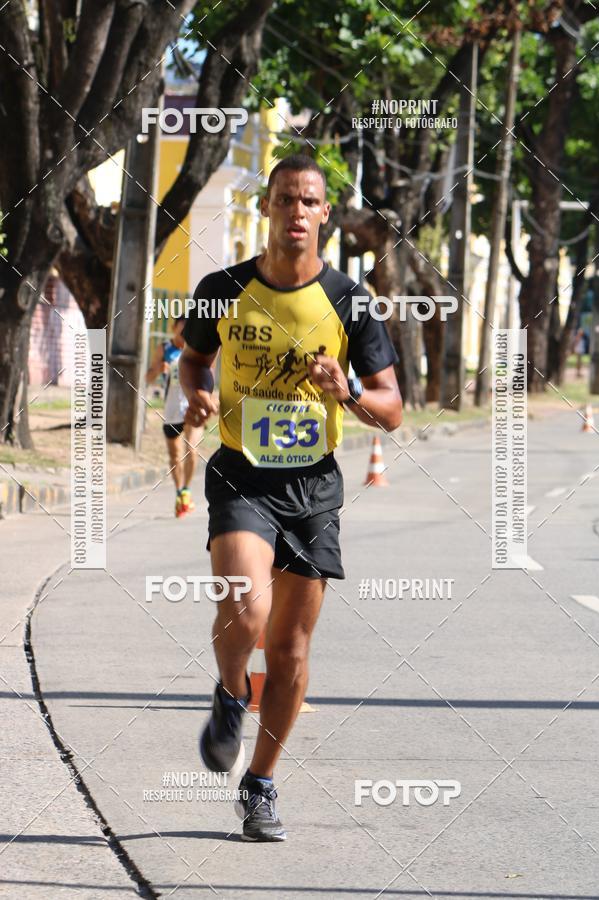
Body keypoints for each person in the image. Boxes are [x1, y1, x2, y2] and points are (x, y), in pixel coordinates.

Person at [179, 154, 403, 841]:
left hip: (312, 487)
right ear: (268, 207)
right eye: (285, 199)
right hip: (242, 474)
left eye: (309, 201)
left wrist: (348, 391)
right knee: (247, 609)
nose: (297, 211)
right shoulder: (222, 289)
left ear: (324, 214)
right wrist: (197, 393)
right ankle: (229, 693)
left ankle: (261, 783)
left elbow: (392, 410)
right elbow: (193, 358)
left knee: (291, 650)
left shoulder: (350, 302)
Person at [146, 316, 203, 517]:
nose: (185, 333)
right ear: (173, 328)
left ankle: (186, 490)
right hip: (171, 409)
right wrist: (157, 369)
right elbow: (148, 378)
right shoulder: (164, 349)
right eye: (182, 329)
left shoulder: (197, 349)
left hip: (192, 407)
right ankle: (179, 492)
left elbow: (207, 373)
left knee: (192, 449)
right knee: (175, 455)